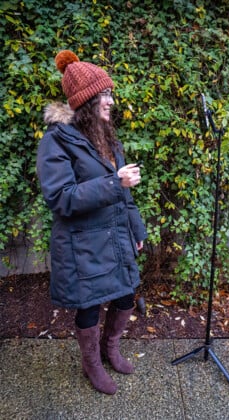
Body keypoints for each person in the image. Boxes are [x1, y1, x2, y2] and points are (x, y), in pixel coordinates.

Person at [36, 50, 146, 395]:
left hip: (115, 237)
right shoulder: (56, 141)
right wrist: (115, 181)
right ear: (86, 101)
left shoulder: (108, 137)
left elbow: (124, 195)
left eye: (110, 94)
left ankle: (110, 349)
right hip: (82, 243)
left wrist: (137, 229)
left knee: (126, 297)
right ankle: (92, 364)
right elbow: (61, 198)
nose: (111, 101)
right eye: (104, 95)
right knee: (89, 306)